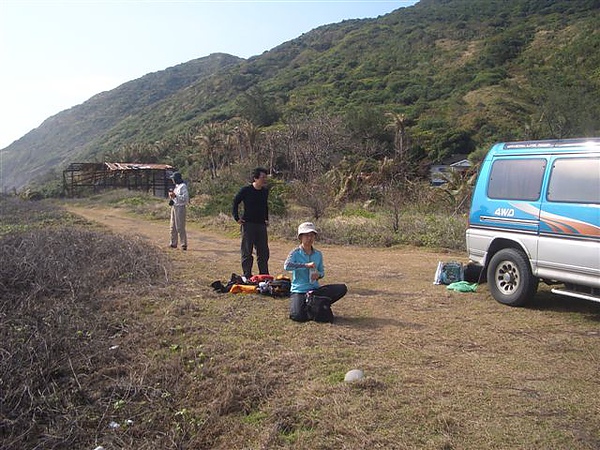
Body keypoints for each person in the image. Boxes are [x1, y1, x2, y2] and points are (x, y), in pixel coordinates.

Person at [284, 222, 347, 322]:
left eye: (312, 235)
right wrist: (305, 265)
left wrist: (318, 275)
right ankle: (315, 306)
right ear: (300, 237)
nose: (309, 238)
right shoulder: (295, 253)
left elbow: (322, 272)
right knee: (297, 316)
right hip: (299, 290)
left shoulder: (318, 254)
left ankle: (318, 304)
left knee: (342, 288)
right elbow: (287, 266)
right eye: (306, 235)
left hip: (315, 290)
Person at [232, 167, 270, 279]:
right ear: (255, 178)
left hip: (261, 225)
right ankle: (247, 275)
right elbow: (235, 202)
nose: (264, 180)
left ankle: (264, 274)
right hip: (248, 224)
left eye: (265, 178)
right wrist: (236, 217)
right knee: (247, 251)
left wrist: (266, 218)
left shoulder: (264, 191)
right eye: (262, 177)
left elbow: (265, 205)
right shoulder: (246, 190)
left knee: (263, 251)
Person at [168, 171, 189, 250]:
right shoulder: (176, 186)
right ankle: (173, 243)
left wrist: (175, 196)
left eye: (173, 178)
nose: (172, 180)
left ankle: (183, 244)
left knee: (180, 227)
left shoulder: (183, 186)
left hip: (180, 208)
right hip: (174, 206)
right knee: (172, 226)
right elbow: (175, 197)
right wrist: (172, 199)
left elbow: (185, 199)